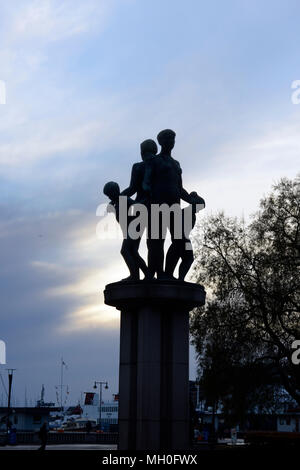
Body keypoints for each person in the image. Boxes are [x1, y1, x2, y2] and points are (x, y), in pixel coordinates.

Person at [145, 129, 194, 279]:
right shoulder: (155, 161)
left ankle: (168, 274)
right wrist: (150, 196)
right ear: (160, 142)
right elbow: (146, 182)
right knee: (156, 242)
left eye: (172, 138)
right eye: (167, 138)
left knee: (179, 240)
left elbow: (180, 189)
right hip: (158, 206)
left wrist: (192, 200)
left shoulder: (176, 164)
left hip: (175, 207)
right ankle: (156, 273)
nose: (171, 141)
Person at [103, 181, 150, 281]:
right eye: (108, 196)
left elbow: (139, 207)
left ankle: (134, 276)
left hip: (134, 228)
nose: (109, 197)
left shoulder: (124, 199)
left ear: (114, 192)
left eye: (109, 194)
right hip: (129, 229)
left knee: (125, 251)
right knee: (133, 252)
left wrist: (146, 201)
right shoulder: (118, 202)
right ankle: (145, 275)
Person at [165, 191, 205, 280]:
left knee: (188, 258)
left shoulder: (191, 215)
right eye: (199, 208)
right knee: (179, 255)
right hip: (180, 238)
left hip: (184, 239)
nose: (198, 210)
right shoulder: (184, 212)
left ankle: (179, 278)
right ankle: (169, 275)